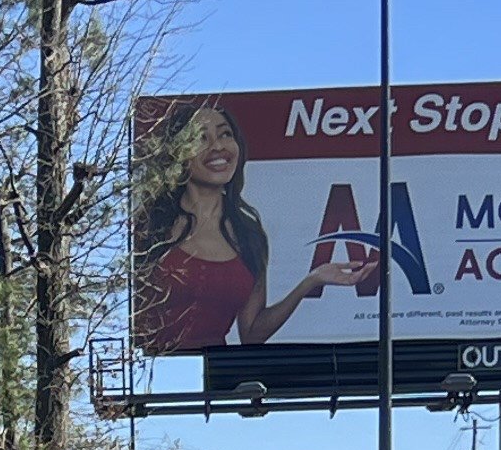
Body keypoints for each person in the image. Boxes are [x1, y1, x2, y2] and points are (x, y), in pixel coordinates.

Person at [131, 99, 371, 354]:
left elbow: (252, 333)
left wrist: (311, 281)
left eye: (225, 134)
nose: (218, 146)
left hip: (218, 373)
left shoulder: (249, 235)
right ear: (178, 154)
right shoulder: (151, 225)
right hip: (156, 371)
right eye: (201, 138)